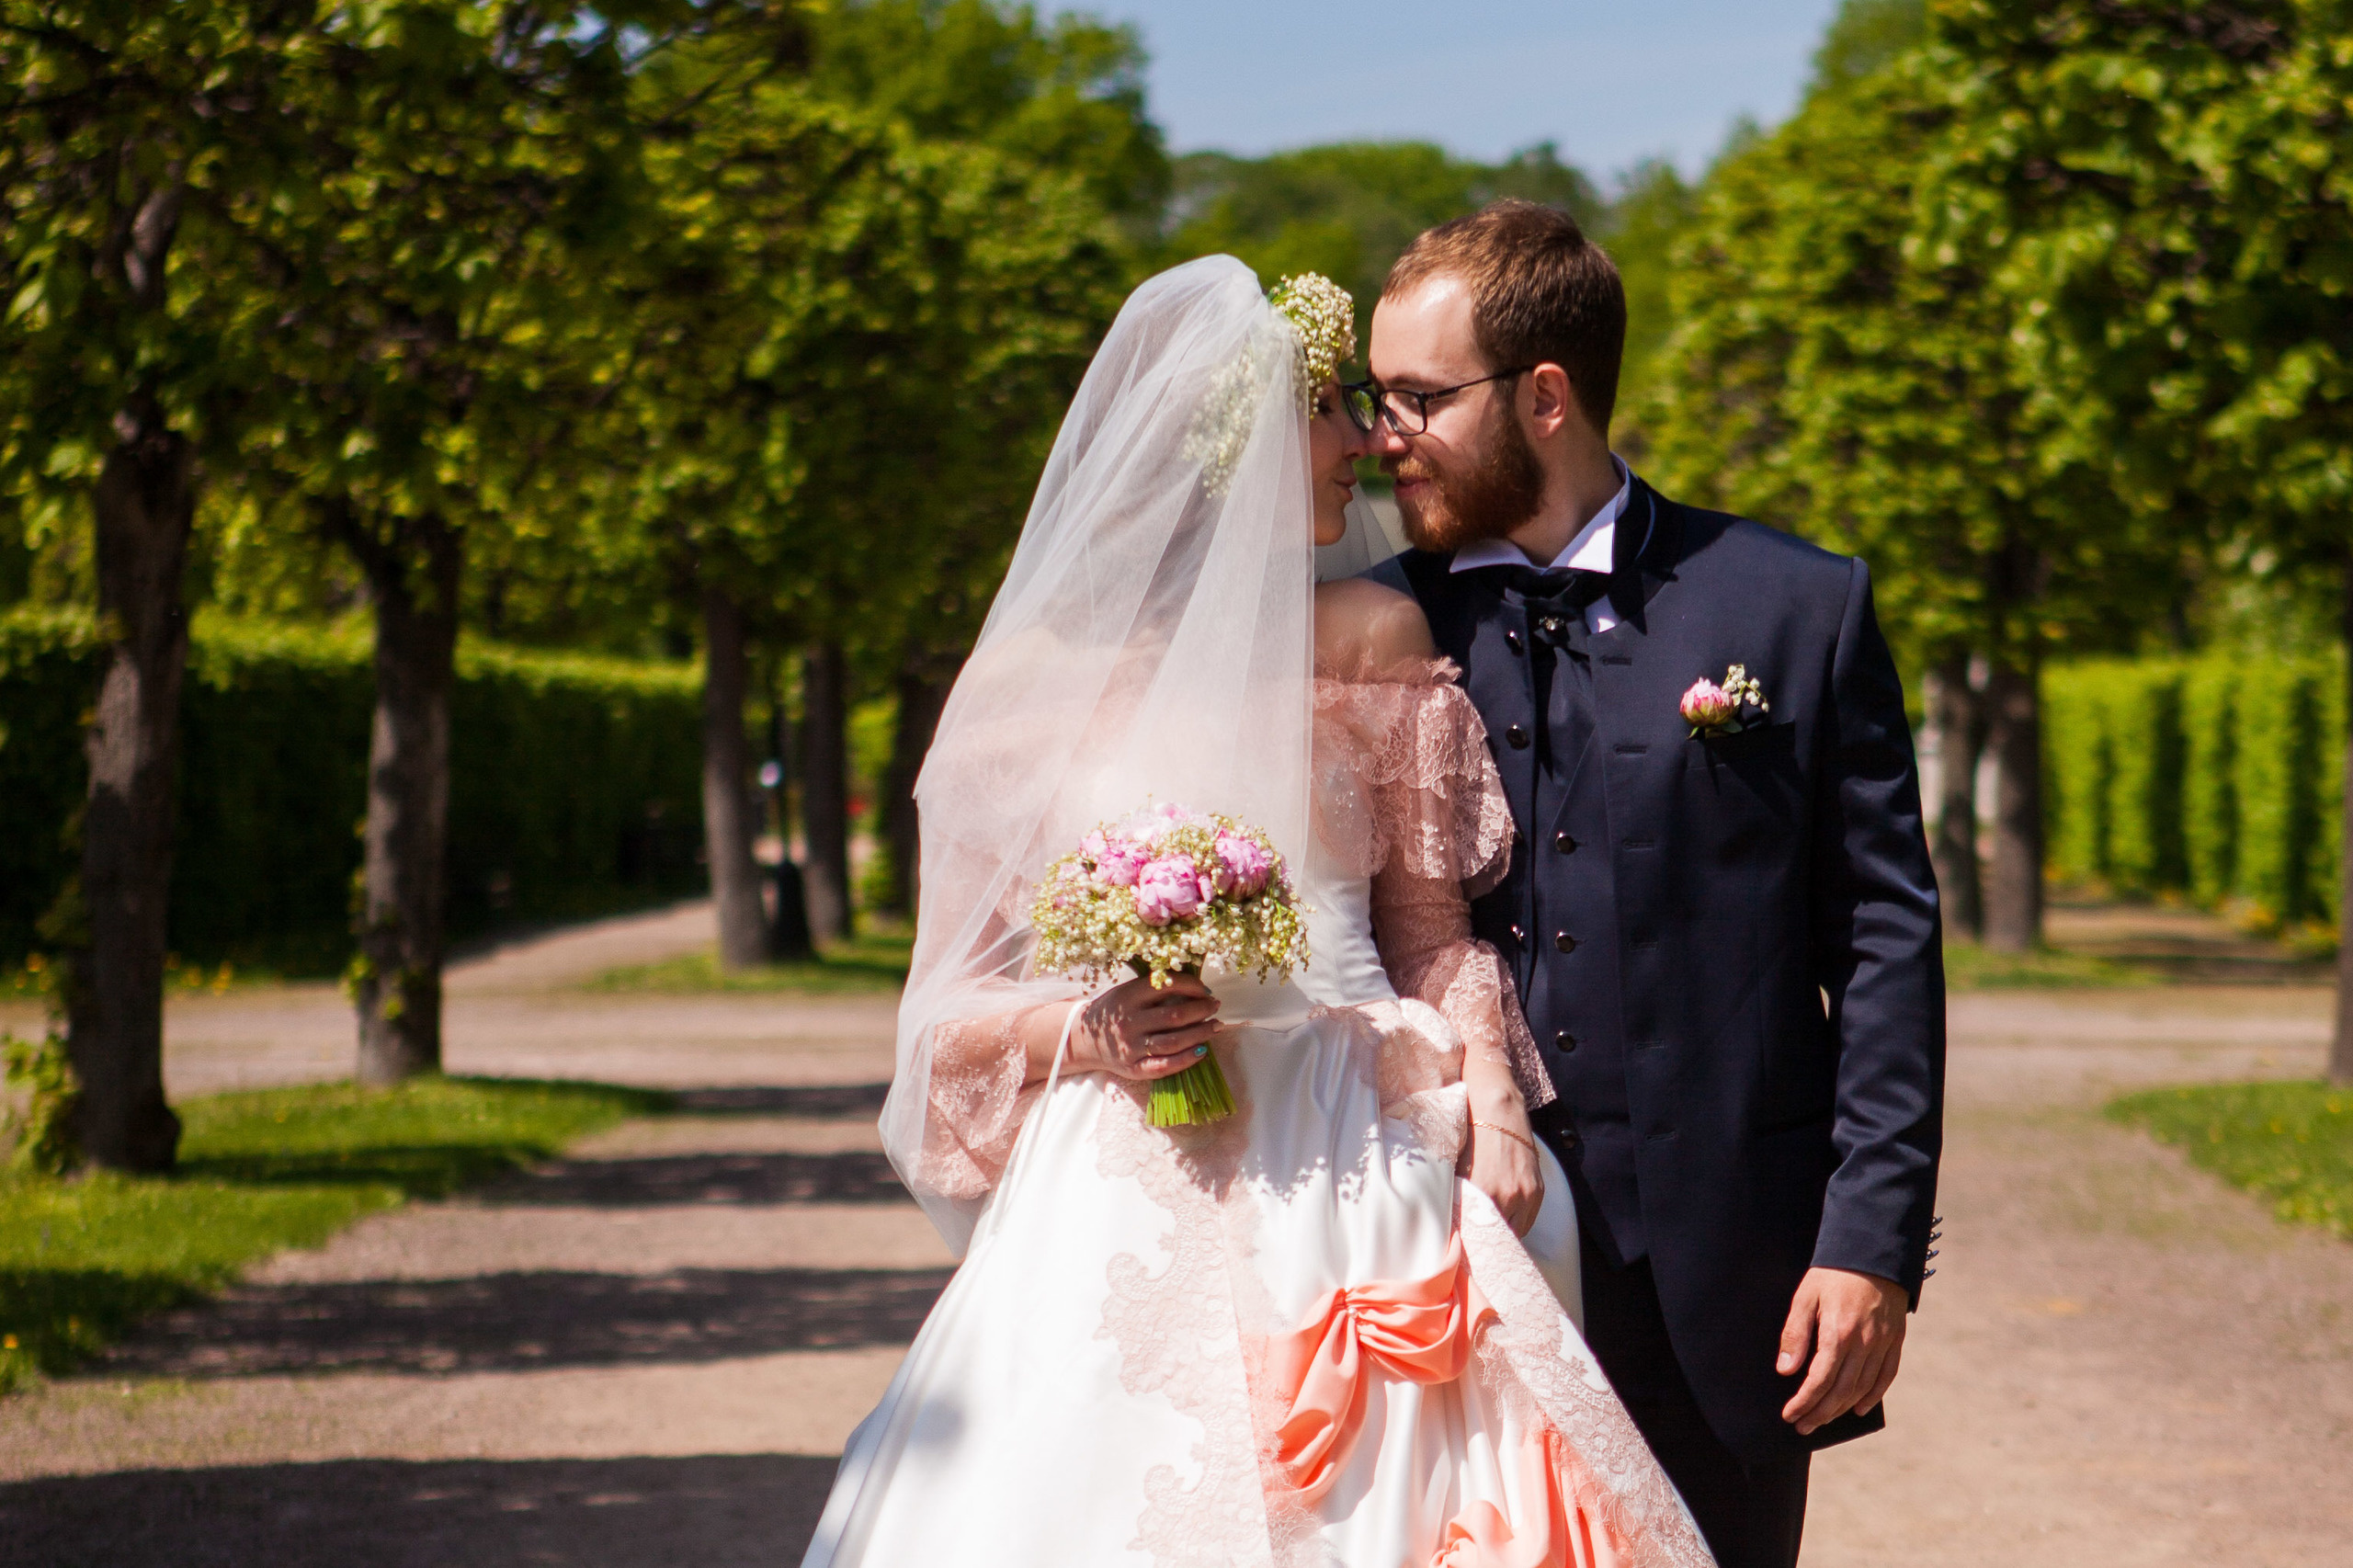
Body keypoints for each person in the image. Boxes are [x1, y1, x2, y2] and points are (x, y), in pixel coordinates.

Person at [801, 256, 1717, 1568]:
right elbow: (950, 1004)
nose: (1366, 438)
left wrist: (1500, 1103)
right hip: (1129, 1156)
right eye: (1332, 408)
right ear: (1229, 447)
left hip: (1368, 1138)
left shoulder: (1371, 636)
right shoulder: (1025, 692)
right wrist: (1093, 1024)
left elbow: (1428, 927)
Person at [1358, 200, 1947, 1568]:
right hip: (1439, 1274)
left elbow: (1881, 949)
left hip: (1727, 1297)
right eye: (1373, 399)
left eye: (1419, 398)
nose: (1385, 435)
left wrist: (1871, 1245)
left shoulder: (1796, 608)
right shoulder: (1368, 627)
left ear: (1546, 395)